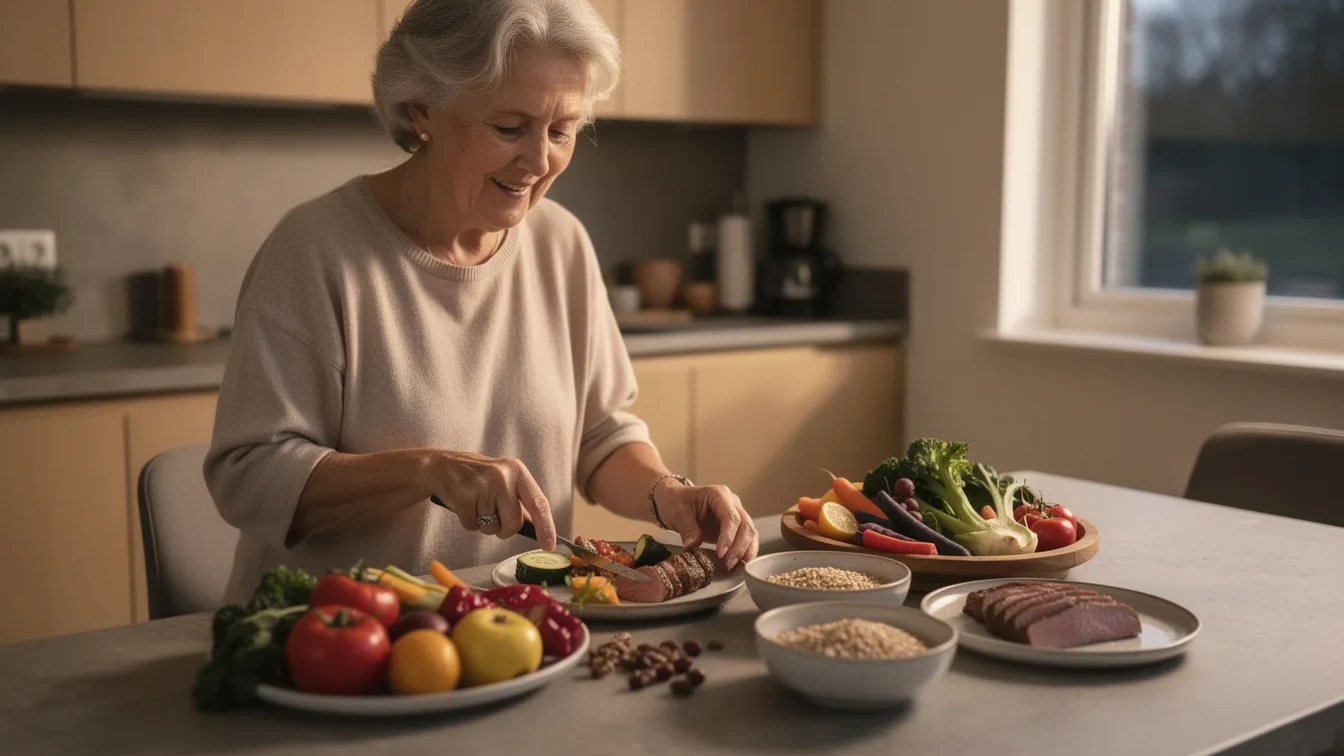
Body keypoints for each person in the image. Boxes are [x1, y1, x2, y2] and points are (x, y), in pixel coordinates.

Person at [204, 0, 758, 604]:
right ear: (423, 110)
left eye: (562, 130)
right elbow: (249, 476)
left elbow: (599, 436)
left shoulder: (562, 243)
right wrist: (428, 472)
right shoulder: (315, 250)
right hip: (340, 643)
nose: (539, 160)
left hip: (514, 631)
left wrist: (667, 492)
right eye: (509, 127)